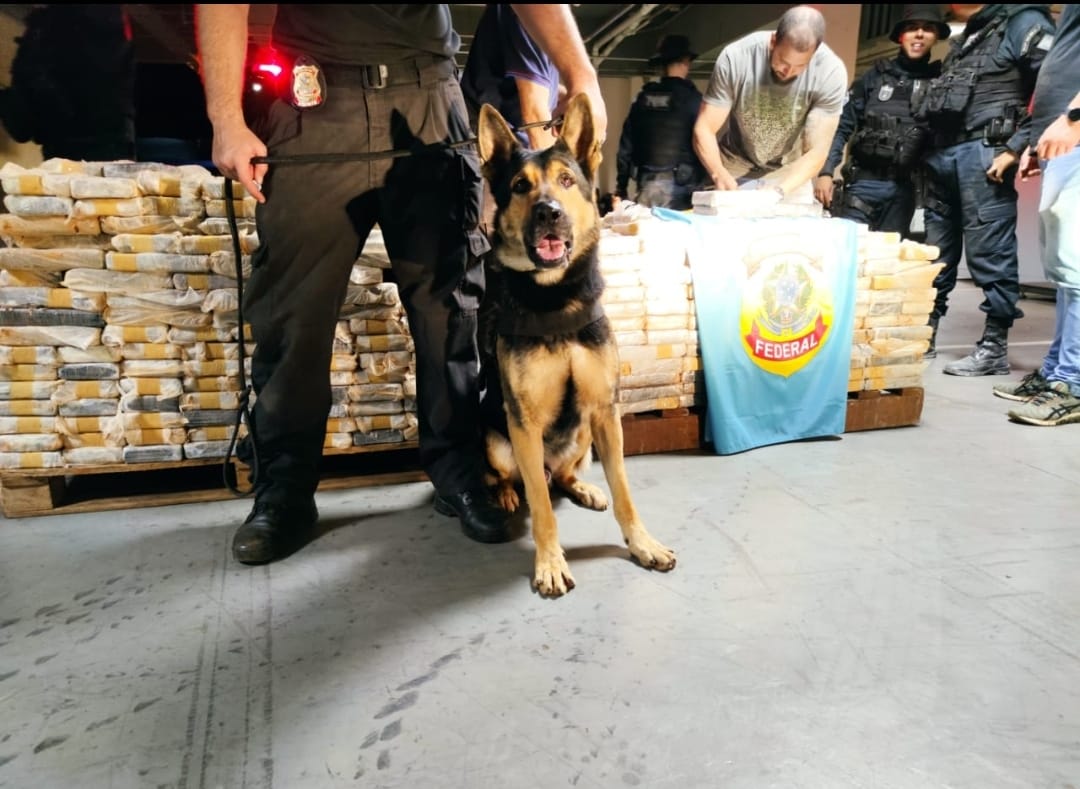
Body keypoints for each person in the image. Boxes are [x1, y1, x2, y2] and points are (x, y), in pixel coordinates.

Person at [195, 4, 606, 565]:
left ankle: (460, 474)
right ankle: (284, 491)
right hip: (315, 101)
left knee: (450, 313)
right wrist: (225, 117)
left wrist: (579, 71)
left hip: (427, 99)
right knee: (292, 315)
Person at [917, 3, 1056, 372]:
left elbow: (1052, 84)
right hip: (943, 155)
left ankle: (994, 348)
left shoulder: (1024, 21)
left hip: (985, 153)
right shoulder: (970, 36)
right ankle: (925, 335)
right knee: (936, 255)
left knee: (991, 253)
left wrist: (1017, 147)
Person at [995, 4, 1080, 426]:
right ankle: (1056, 372)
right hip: (1059, 135)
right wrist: (1036, 139)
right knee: (1065, 269)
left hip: (1074, 131)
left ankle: (1073, 383)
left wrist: (1075, 118)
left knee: (1075, 265)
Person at [813, 4, 949, 235]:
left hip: (904, 191)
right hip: (862, 184)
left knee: (888, 255)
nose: (919, 34)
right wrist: (826, 172)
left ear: (935, 36)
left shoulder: (940, 82)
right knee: (850, 249)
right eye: (912, 28)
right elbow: (842, 127)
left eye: (927, 28)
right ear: (901, 35)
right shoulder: (874, 77)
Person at [692, 5, 848, 203]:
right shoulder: (737, 57)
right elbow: (705, 128)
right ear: (773, 41)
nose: (788, 71)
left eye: (800, 66)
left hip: (791, 174)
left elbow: (817, 150)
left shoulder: (830, 72)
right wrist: (718, 173)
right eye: (783, 61)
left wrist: (778, 192)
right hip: (733, 165)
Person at [0, 4, 136, 161]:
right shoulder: (113, 23)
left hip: (69, 154)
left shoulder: (46, 30)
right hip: (117, 147)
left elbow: (23, 126)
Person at [614, 34, 707, 210]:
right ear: (686, 61)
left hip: (647, 185)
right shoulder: (694, 100)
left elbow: (625, 149)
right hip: (684, 187)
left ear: (662, 65)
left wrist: (621, 188)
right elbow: (705, 142)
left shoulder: (642, 100)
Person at [461, 4, 561, 152]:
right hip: (499, 147)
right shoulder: (537, 13)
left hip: (514, 145)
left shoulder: (550, 20)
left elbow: (535, 81)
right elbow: (535, 113)